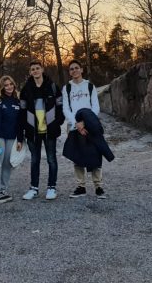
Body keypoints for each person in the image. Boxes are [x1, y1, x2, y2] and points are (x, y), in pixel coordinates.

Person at [19, 60, 64, 201]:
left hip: (49, 130)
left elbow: (60, 108)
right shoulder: (26, 89)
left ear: (42, 69)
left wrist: (57, 124)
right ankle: (34, 189)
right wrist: (26, 128)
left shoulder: (53, 87)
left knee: (51, 159)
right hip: (33, 132)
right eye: (32, 69)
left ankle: (51, 188)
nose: (35, 71)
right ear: (30, 72)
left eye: (37, 68)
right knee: (34, 160)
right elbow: (22, 111)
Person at [62, 59, 107, 199]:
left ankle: (98, 186)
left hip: (90, 125)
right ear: (69, 72)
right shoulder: (67, 88)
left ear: (81, 69)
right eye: (71, 69)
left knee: (95, 153)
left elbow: (95, 106)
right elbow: (65, 108)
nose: (74, 70)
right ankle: (81, 187)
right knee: (78, 156)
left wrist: (86, 122)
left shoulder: (89, 86)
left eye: (76, 68)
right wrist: (76, 123)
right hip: (74, 126)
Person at [0, 75, 23, 203]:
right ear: (2, 88)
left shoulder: (17, 101)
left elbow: (20, 122)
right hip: (0, 137)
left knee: (7, 163)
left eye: (11, 84)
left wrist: (20, 139)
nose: (9, 87)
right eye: (6, 85)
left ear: (14, 85)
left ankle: (3, 188)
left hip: (12, 138)